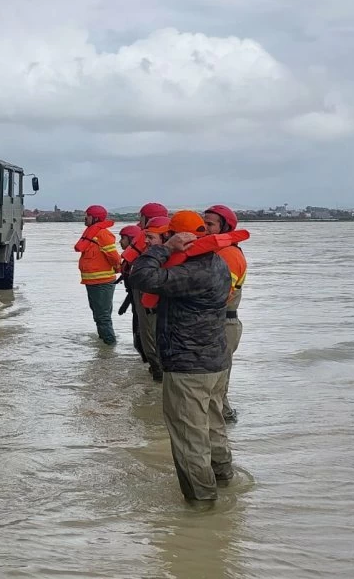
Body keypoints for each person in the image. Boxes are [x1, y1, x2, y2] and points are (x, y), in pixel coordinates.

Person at [130, 210, 233, 503]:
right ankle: (224, 480)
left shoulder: (191, 272)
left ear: (178, 238)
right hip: (214, 361)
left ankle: (202, 505)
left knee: (190, 438)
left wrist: (164, 249)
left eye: (165, 236)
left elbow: (141, 276)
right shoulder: (217, 262)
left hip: (189, 366)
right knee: (213, 427)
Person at [204, 204, 248, 424]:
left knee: (219, 384)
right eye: (203, 223)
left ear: (225, 227)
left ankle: (226, 423)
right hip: (218, 321)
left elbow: (219, 294)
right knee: (215, 382)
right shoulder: (217, 251)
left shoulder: (229, 254)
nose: (205, 228)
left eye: (210, 224)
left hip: (224, 323)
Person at [74, 205, 122, 345]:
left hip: (102, 282)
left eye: (87, 215)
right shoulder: (92, 232)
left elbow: (114, 256)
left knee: (103, 316)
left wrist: (119, 268)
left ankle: (109, 346)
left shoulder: (102, 234)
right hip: (93, 282)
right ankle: (104, 344)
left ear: (95, 218)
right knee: (99, 315)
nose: (85, 217)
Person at [134, 215, 172, 382]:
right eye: (146, 236)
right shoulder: (150, 257)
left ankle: (159, 379)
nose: (146, 241)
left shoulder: (172, 260)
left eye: (150, 237)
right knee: (149, 345)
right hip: (149, 308)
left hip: (159, 312)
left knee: (155, 348)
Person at [117, 224, 147, 360]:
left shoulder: (139, 260)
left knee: (142, 337)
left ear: (131, 240)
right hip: (135, 301)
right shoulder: (132, 258)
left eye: (123, 238)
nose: (120, 242)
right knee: (138, 338)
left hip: (141, 303)